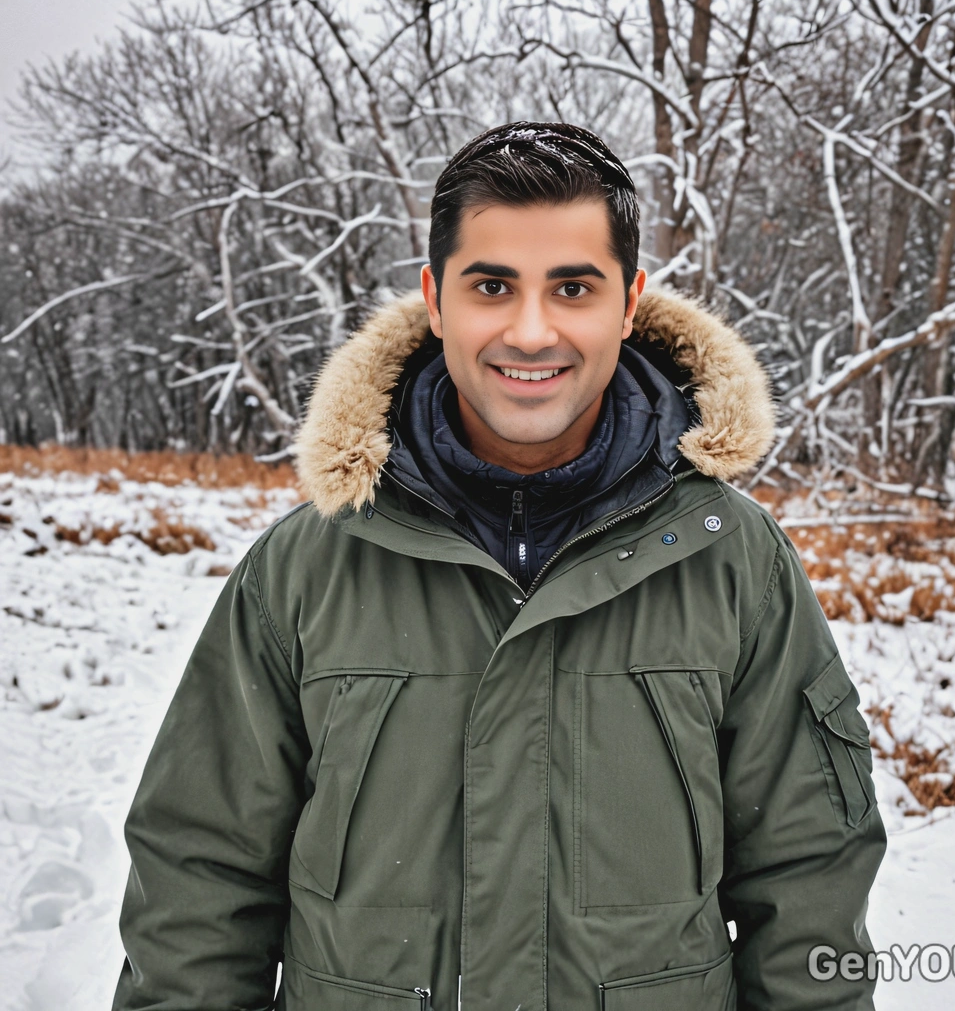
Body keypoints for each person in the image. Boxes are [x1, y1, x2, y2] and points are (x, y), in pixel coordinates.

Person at [112, 121, 886, 1011]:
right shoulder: (307, 565)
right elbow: (198, 888)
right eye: (492, 286)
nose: (530, 331)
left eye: (572, 287)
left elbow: (810, 885)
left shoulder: (732, 559)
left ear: (627, 304)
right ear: (435, 299)